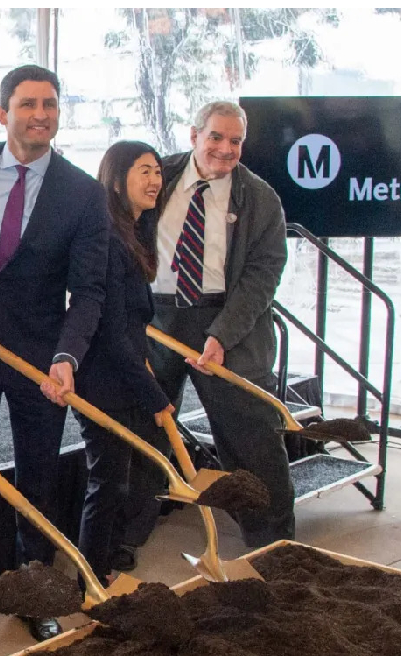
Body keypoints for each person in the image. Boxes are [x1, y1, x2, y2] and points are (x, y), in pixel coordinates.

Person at [0, 64, 109, 643]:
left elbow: (89, 290)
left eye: (50, 104)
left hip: (41, 362)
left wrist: (66, 357)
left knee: (37, 479)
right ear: (2, 113)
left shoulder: (82, 192)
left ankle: (36, 590)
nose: (41, 114)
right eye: (28, 103)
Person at [142, 100, 292, 549]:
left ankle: (272, 544)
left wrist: (222, 335)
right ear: (193, 136)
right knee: (142, 427)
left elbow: (263, 274)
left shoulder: (260, 197)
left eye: (236, 141)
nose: (225, 149)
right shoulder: (155, 177)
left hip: (229, 322)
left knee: (252, 436)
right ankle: (126, 535)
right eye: (216, 137)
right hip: (156, 318)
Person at [73, 141, 174, 584]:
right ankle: (89, 580)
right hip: (101, 381)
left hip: (127, 374)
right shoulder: (107, 241)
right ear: (116, 181)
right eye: (143, 171)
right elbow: (111, 333)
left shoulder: (135, 233)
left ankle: (108, 562)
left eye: (157, 171)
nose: (155, 180)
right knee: (107, 481)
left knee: (120, 479)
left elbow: (131, 327)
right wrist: (153, 395)